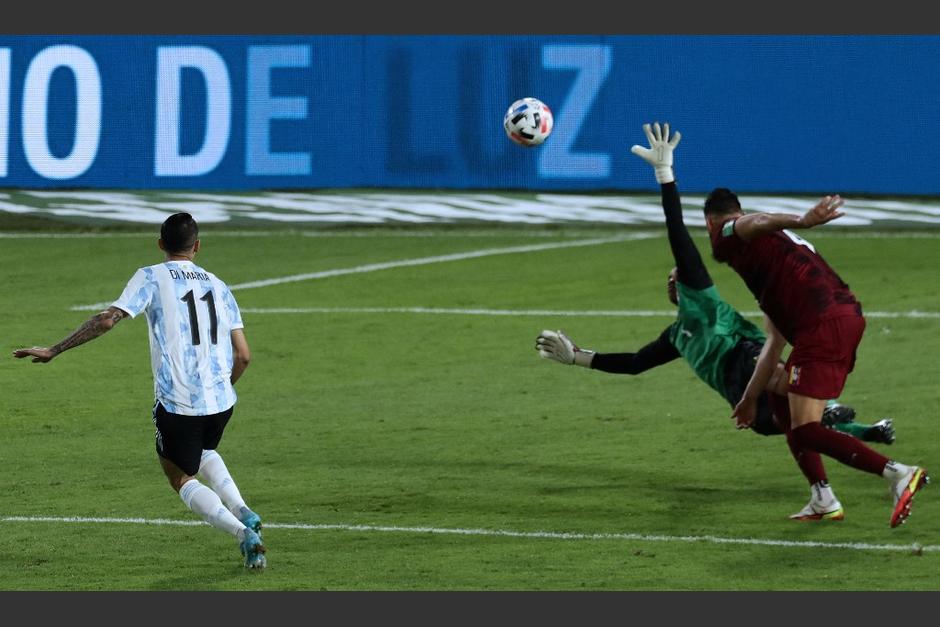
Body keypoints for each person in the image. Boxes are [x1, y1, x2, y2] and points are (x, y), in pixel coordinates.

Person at [625, 121, 933, 528]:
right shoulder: (770, 272)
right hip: (839, 319)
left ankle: (898, 473)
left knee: (806, 429)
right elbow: (773, 343)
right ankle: (823, 497)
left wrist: (802, 219)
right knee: (790, 411)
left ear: (711, 223)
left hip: (823, 326)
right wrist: (750, 399)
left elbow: (755, 221)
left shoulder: (731, 233)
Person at [14, 212, 267, 568]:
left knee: (179, 475)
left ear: (161, 244)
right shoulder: (220, 286)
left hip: (179, 402)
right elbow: (244, 355)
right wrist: (219, 389)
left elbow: (107, 319)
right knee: (205, 448)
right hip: (222, 400)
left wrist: (56, 349)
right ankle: (244, 508)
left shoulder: (150, 276)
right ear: (197, 246)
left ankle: (243, 533)